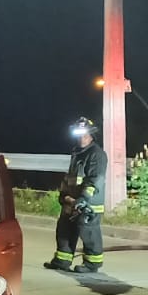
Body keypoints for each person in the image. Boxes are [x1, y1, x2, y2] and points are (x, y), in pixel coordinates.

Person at [44, 117, 107, 273]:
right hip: (72, 201)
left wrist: (84, 199)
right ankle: (62, 260)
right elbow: (71, 177)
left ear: (91, 136)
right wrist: (64, 195)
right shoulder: (77, 153)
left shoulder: (97, 154)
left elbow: (95, 179)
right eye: (79, 135)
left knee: (88, 232)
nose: (81, 138)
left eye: (85, 135)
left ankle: (92, 264)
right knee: (64, 229)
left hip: (88, 203)